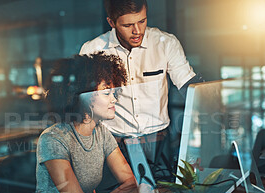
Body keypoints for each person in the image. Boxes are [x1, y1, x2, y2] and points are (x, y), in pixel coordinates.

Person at [31, 52, 137, 193]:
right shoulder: (53, 139)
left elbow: (130, 182)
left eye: (113, 92)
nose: (114, 99)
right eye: (106, 93)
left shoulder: (101, 132)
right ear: (82, 97)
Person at [80, 0, 197, 140]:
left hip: (159, 137)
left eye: (142, 21)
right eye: (128, 25)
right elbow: (84, 102)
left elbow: (189, 85)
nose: (137, 31)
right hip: (112, 138)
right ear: (111, 23)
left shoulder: (166, 44)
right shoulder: (92, 50)